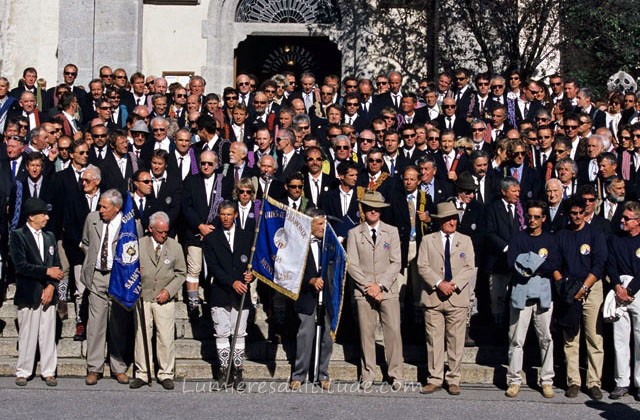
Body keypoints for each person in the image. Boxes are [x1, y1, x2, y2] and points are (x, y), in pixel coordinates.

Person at [80, 189, 138, 386]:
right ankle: (94, 368)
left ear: (116, 208)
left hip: (118, 279)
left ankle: (118, 367)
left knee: (118, 326)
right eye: (100, 205)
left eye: (105, 207)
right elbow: (86, 243)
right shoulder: (92, 219)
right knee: (95, 325)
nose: (101, 209)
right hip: (97, 276)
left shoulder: (129, 224)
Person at [417, 201, 475, 395]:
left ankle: (453, 379)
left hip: (457, 297)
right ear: (440, 220)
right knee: (434, 340)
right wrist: (439, 283)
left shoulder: (465, 240)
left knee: (456, 340)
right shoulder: (428, 240)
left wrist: (454, 284)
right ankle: (434, 378)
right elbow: (422, 266)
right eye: (449, 218)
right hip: (434, 297)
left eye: (455, 218)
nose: (453, 222)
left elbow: (469, 267)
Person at [347, 190, 403, 391]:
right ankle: (368, 373)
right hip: (364, 290)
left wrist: (380, 285)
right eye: (369, 207)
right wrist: (367, 287)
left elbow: (396, 262)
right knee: (366, 333)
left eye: (376, 208)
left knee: (393, 332)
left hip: (387, 289)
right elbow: (352, 263)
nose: (373, 211)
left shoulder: (392, 231)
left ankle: (396, 373)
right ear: (363, 209)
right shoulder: (354, 233)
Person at [505, 200, 561, 399]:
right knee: (516, 340)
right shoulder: (518, 238)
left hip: (543, 295)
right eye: (530, 216)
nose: (532, 220)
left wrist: (529, 262)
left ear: (544, 218)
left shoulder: (550, 239)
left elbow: (553, 264)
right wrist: (538, 262)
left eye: (537, 217)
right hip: (521, 293)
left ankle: (547, 380)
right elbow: (513, 263)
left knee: (546, 339)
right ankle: (514, 380)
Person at [554, 196, 607, 400]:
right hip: (569, 289)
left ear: (586, 212)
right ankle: (573, 381)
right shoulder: (562, 235)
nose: (577, 217)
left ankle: (593, 382)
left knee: (594, 337)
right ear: (568, 214)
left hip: (591, 286)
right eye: (573, 213)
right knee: (571, 337)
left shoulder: (595, 233)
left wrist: (585, 287)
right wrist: (562, 285)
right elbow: (555, 263)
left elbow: (600, 262)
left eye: (580, 213)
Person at [129, 212, 186, 390]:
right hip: (143, 297)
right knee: (142, 335)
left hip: (164, 299)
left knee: (165, 337)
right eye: (160, 232)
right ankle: (142, 372)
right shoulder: (139, 245)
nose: (163, 235)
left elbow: (181, 274)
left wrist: (168, 291)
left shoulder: (175, 247)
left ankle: (166, 373)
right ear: (150, 229)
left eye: (166, 232)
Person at [10, 198, 63, 387]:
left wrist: (50, 286)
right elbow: (21, 265)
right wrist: (46, 272)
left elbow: (57, 264)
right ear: (32, 216)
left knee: (48, 333)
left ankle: (49, 371)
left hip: (47, 293)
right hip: (28, 292)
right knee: (28, 333)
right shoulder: (18, 235)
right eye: (43, 214)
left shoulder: (49, 237)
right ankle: (24, 370)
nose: (47, 218)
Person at [203, 200, 254, 391]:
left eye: (229, 214)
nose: (225, 218)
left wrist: (251, 275)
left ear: (236, 215)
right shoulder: (211, 238)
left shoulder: (247, 237)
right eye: (222, 214)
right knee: (222, 331)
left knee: (239, 333)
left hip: (241, 294)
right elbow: (214, 267)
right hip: (221, 292)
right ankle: (224, 371)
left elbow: (251, 263)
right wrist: (232, 282)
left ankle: (237, 372)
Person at [290, 208, 333, 391]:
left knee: (327, 337)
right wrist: (311, 280)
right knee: (305, 335)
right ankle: (299, 374)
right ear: (310, 224)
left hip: (328, 296)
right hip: (307, 296)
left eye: (325, 223)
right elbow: (293, 269)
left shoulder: (330, 244)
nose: (324, 227)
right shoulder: (298, 244)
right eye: (320, 224)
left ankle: (322, 373)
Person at [607, 201, 640, 400]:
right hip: (619, 291)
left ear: (638, 221)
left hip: (637, 291)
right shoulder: (615, 240)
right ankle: (622, 382)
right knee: (620, 339)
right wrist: (618, 287)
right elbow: (611, 265)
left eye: (627, 218)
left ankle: (639, 382)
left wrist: (630, 289)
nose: (622, 221)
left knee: (639, 339)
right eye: (623, 217)